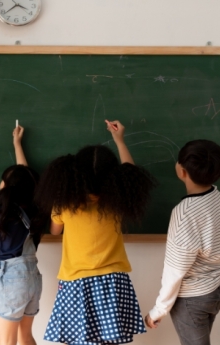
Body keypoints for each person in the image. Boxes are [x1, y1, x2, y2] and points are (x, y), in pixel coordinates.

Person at [38, 120, 156, 344]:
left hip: (76, 281)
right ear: (113, 175)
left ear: (75, 174)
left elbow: (54, 232)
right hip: (113, 281)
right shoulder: (118, 201)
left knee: (78, 339)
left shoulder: (64, 204)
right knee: (109, 340)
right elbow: (130, 174)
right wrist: (119, 140)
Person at [145, 140, 220, 345]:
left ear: (182, 171)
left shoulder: (185, 212)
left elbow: (176, 268)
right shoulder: (219, 197)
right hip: (216, 288)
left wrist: (158, 310)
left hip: (193, 297)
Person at [0, 125, 47, 345]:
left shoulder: (1, 215)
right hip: (32, 277)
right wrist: (17, 144)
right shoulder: (36, 210)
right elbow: (24, 176)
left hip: (11, 279)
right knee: (26, 336)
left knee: (6, 341)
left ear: (7, 187)